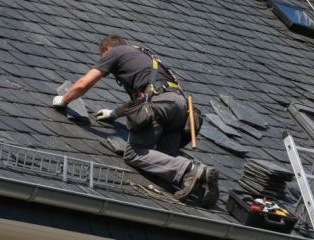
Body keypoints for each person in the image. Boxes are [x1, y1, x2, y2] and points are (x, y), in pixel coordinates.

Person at [52, 35, 219, 206]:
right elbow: (143, 99)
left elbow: (83, 83)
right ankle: (201, 182)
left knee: (134, 153)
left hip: (161, 105)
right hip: (180, 107)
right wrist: (114, 113)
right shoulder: (142, 55)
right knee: (163, 162)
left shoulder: (114, 52)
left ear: (106, 50)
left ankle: (192, 169)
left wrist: (64, 99)